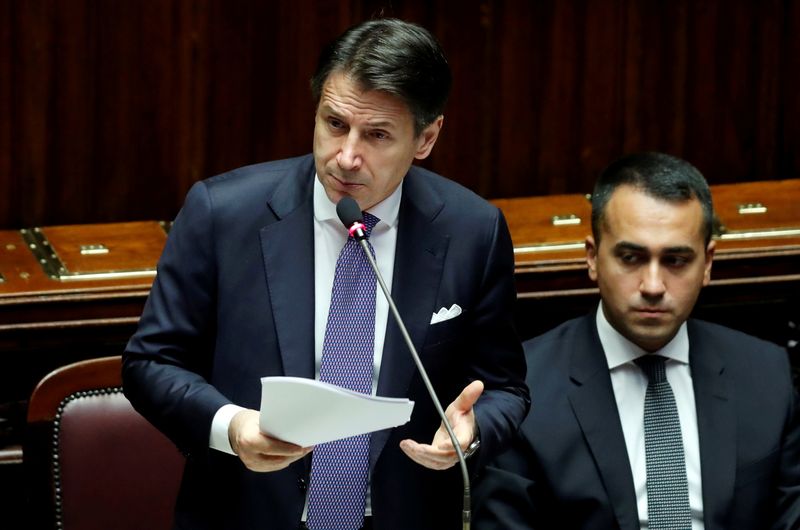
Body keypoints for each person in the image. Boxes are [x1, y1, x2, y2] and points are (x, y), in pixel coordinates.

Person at [122, 18, 528, 530]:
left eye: (377, 135)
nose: (346, 156)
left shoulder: (474, 232)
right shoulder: (223, 215)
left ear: (426, 137)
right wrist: (232, 426)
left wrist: (470, 431)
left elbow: (504, 388)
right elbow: (150, 362)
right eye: (334, 124)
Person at [473, 152, 800, 529]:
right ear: (593, 258)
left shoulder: (768, 377)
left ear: (708, 263)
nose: (653, 286)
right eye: (631, 257)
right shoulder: (522, 391)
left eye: (676, 260)